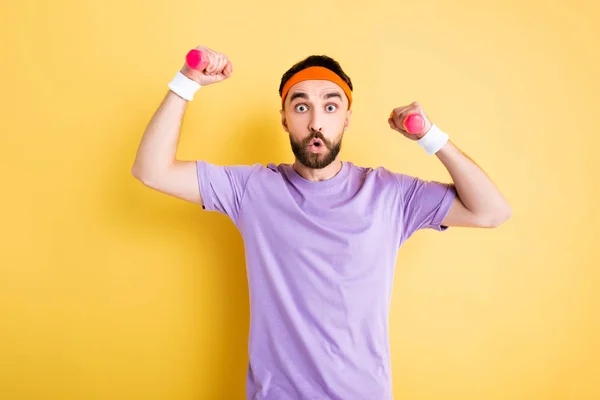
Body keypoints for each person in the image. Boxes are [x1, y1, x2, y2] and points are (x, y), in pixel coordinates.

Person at [131, 45, 512, 400]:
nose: (316, 122)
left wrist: (430, 136)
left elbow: (491, 212)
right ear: (283, 119)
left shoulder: (389, 195)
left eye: (330, 108)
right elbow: (152, 170)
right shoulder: (251, 188)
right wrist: (187, 81)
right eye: (301, 108)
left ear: (347, 118)